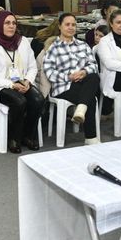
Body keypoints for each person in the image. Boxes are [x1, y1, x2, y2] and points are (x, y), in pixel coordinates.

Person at [0, 11, 44, 153]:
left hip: (22, 82)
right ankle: (14, 138)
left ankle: (28, 136)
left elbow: (32, 67)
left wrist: (28, 81)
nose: (11, 26)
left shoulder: (23, 42)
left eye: (14, 23)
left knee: (38, 99)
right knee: (19, 101)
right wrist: (11, 84)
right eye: (7, 23)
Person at [43, 13, 100, 144]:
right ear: (60, 26)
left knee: (94, 76)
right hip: (63, 87)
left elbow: (93, 65)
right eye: (67, 24)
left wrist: (84, 72)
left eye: (73, 25)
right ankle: (90, 138)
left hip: (84, 82)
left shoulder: (83, 45)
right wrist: (68, 77)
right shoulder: (53, 48)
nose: (71, 27)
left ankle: (81, 109)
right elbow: (49, 72)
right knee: (90, 98)